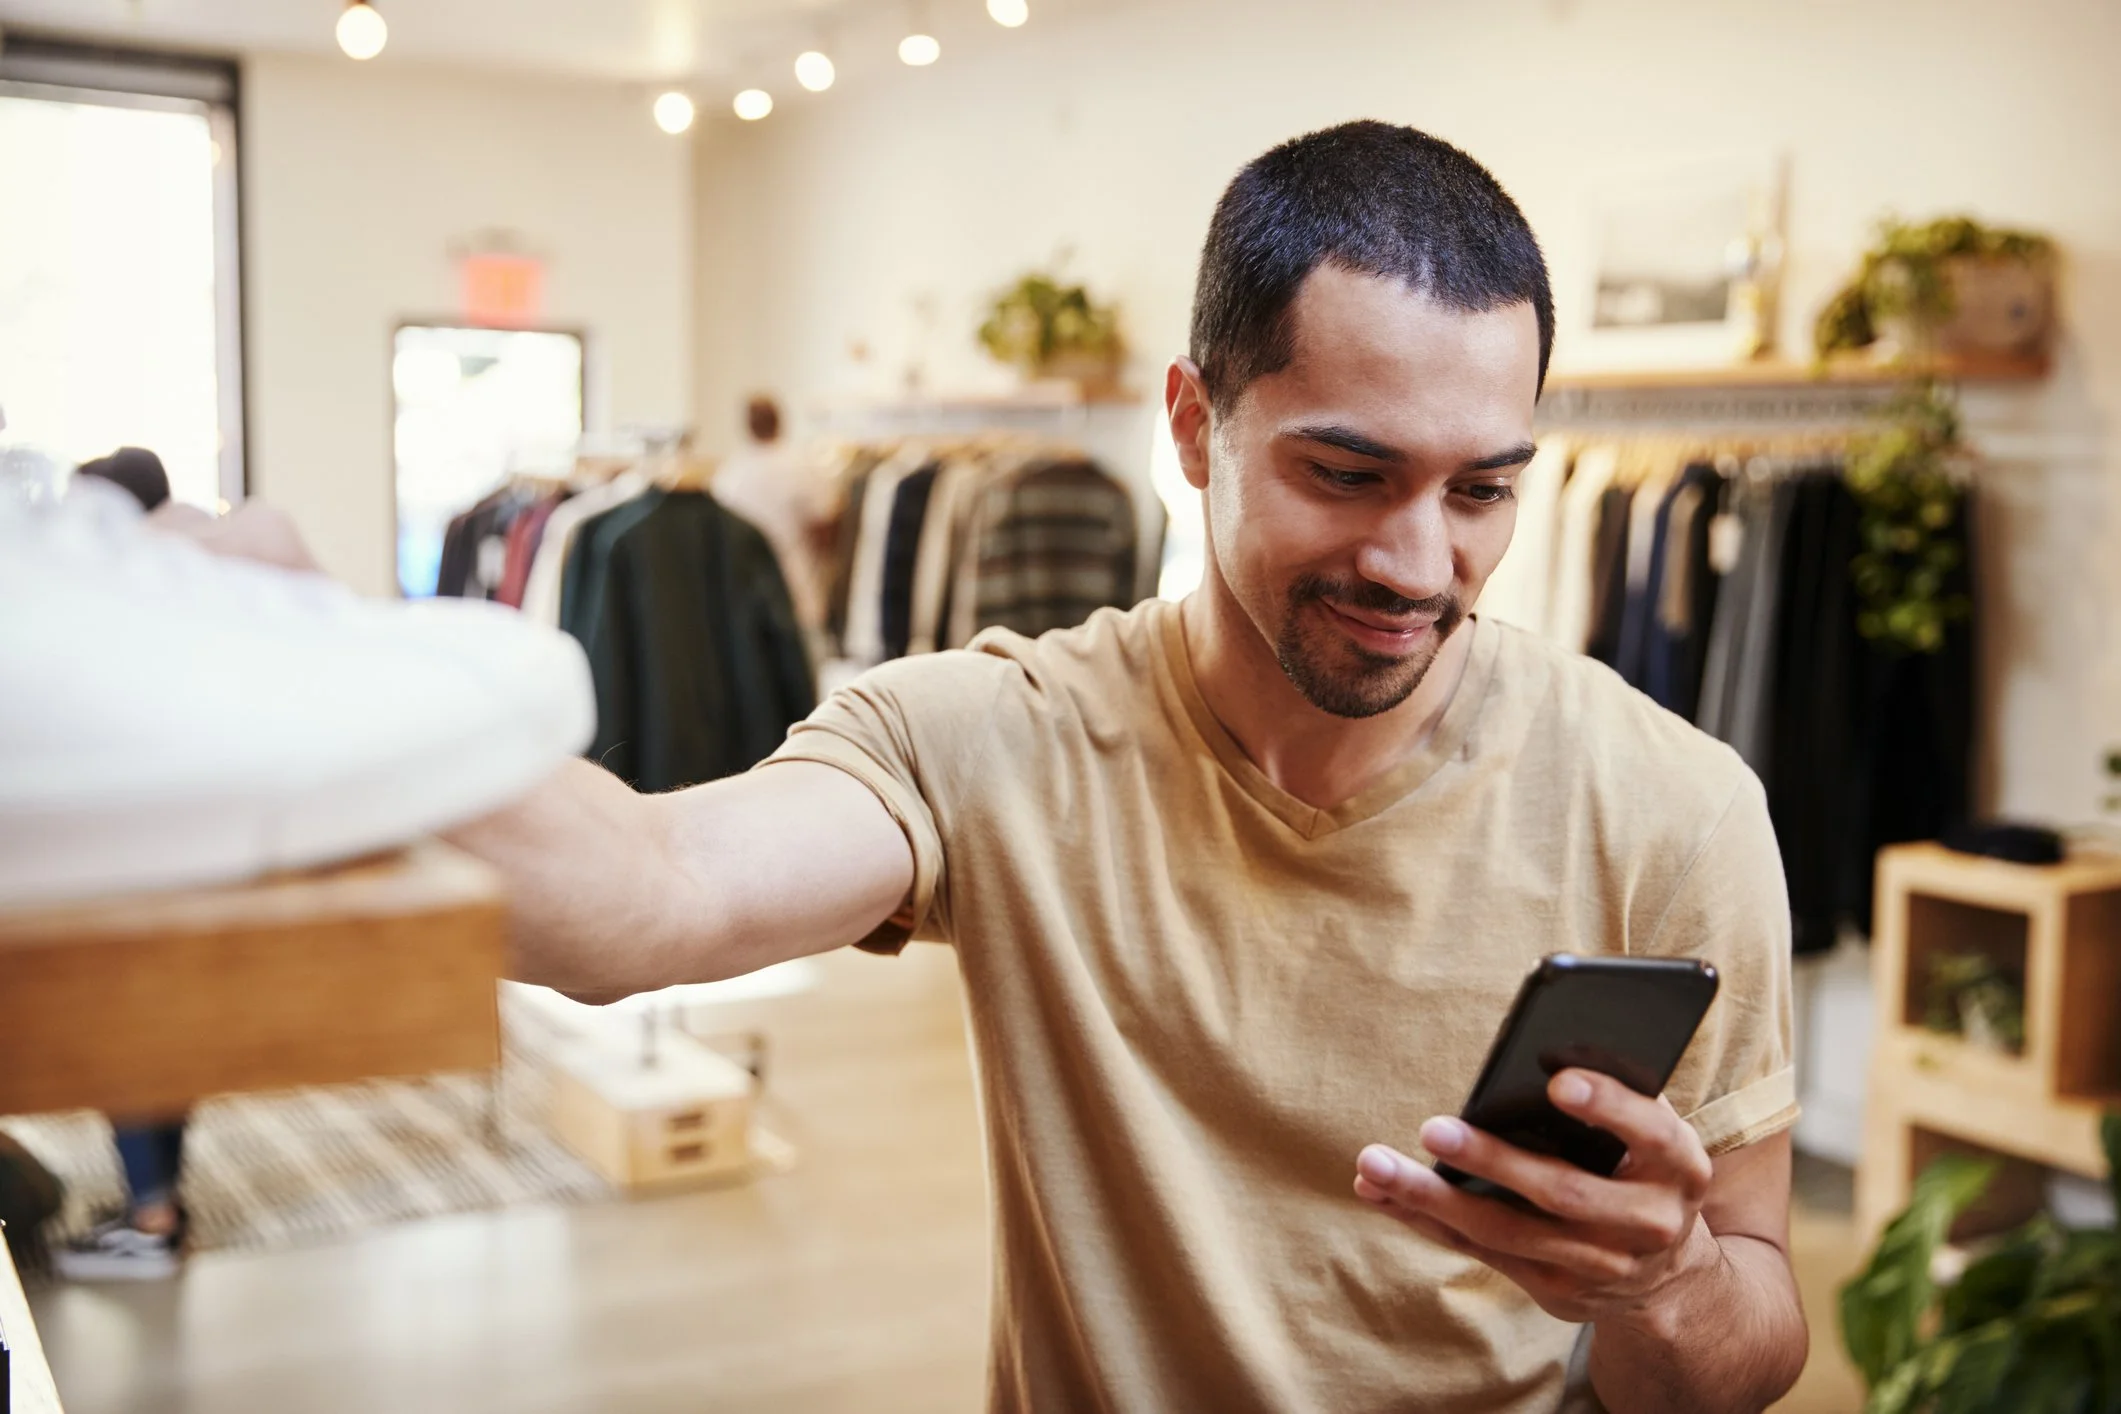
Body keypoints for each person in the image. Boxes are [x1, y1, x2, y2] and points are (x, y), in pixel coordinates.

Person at [267, 123, 1807, 1409]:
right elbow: (646, 901)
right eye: (1347, 473)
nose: (1419, 560)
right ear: (1194, 426)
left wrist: (1664, 1281)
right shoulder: (1003, 736)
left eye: (1481, 488)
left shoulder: (1671, 806)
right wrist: (258, 653)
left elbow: (1752, 1345)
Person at [56, 447, 194, 1281]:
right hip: (182, 839)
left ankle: (151, 1221)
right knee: (163, 1027)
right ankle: (161, 1201)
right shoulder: (186, 585)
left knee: (125, 1028)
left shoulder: (106, 598)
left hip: (126, 846)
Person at [711, 393, 840, 645]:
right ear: (780, 421)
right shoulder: (802, 467)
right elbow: (826, 531)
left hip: (751, 592)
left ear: (747, 425)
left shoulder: (730, 474)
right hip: (797, 587)